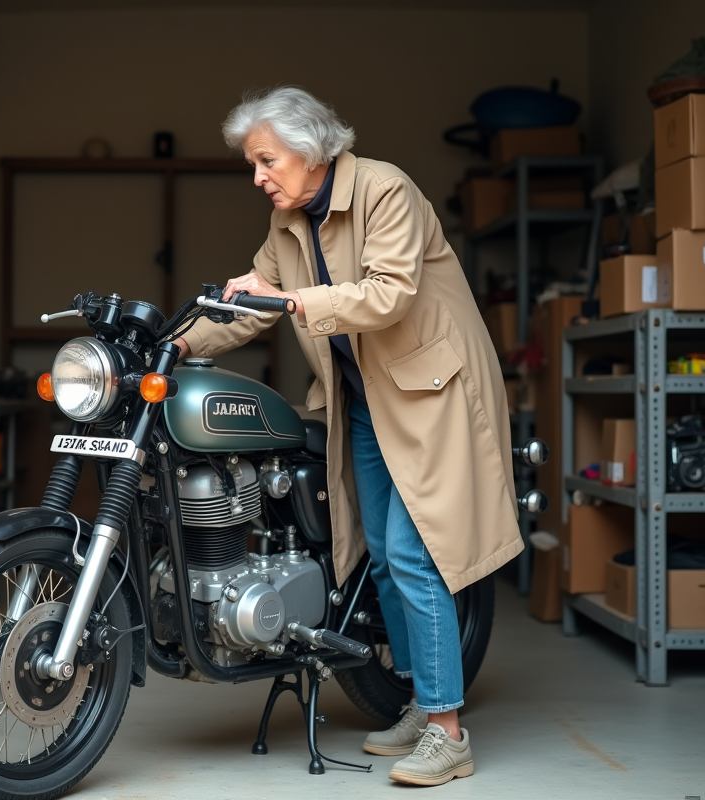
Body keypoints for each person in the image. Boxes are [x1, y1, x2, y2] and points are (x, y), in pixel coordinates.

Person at [175, 86, 521, 787]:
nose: (258, 177)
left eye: (266, 160)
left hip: (432, 398)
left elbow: (388, 292)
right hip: (363, 402)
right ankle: (425, 707)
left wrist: (295, 300)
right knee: (381, 556)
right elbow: (250, 311)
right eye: (254, 163)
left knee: (411, 553)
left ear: (310, 151)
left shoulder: (387, 190)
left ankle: (449, 732)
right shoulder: (289, 223)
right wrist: (173, 346)